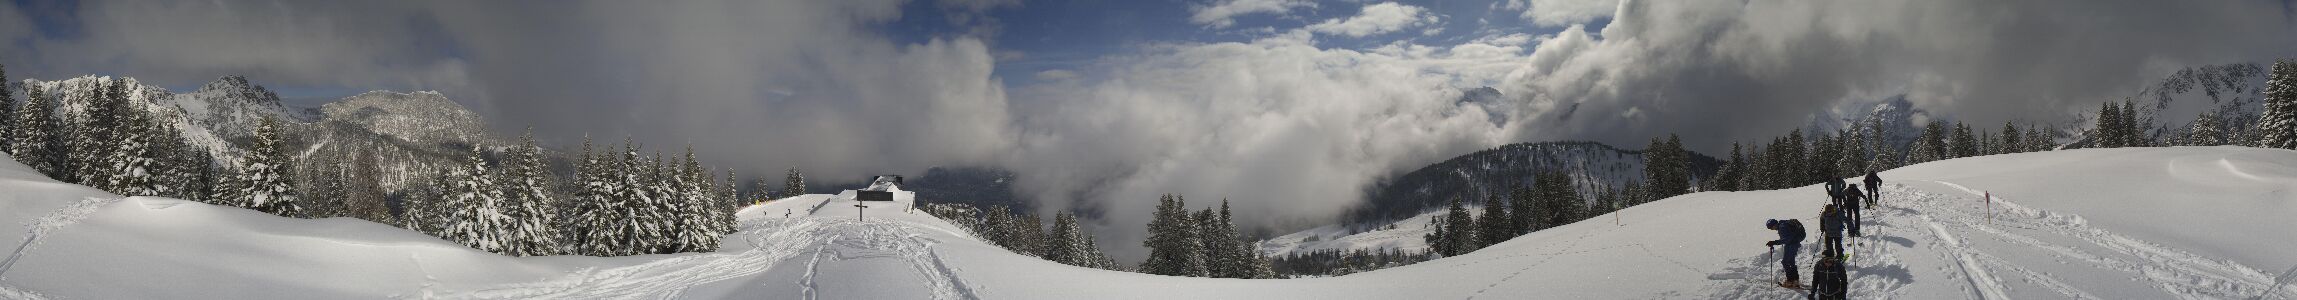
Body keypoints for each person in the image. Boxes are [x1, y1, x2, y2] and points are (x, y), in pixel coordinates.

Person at [1766, 219, 1808, 287]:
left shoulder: (1782, 227)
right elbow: (1787, 238)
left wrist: (1774, 242)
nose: (1772, 229)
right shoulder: (1783, 224)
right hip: (1793, 243)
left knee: (1785, 262)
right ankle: (1795, 280)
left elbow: (1787, 240)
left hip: (1792, 244)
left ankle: (1790, 281)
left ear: (1774, 225)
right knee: (1791, 262)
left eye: (1771, 228)